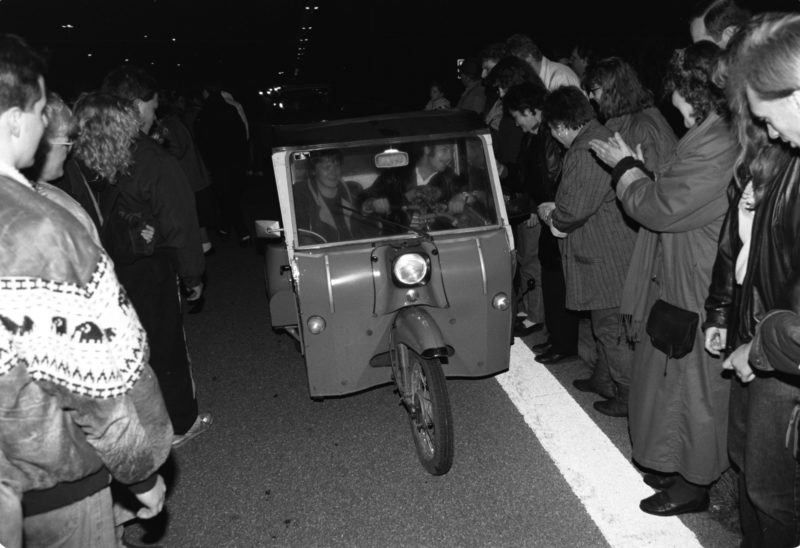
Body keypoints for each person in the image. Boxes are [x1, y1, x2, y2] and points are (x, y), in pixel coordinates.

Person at [0, 34, 172, 548]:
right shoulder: (35, 230)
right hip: (52, 484)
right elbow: (96, 386)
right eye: (38, 111)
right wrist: (140, 473)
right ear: (14, 120)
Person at [589, 41, 739, 516]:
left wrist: (626, 169)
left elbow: (658, 206)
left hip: (696, 284)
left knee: (694, 387)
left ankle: (695, 485)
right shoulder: (710, 135)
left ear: (691, 92)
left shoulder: (716, 146)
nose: (670, 98)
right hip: (681, 277)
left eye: (675, 88)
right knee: (670, 379)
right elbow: (672, 191)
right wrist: (638, 168)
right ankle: (675, 464)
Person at [704, 12, 800, 546]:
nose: (765, 129)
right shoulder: (764, 157)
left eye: (762, 113)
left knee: (771, 488)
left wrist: (759, 347)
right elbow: (737, 248)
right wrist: (723, 313)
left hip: (780, 349)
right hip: (761, 328)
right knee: (747, 464)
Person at [78, 75, 212, 450]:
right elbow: (178, 221)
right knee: (165, 344)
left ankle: (134, 422)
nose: (156, 115)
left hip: (106, 269)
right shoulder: (151, 159)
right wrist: (192, 273)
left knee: (126, 347)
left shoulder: (83, 159)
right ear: (133, 108)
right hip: (149, 267)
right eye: (153, 107)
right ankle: (180, 422)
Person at [576, 57, 678, 415]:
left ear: (613, 89)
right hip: (639, 226)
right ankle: (607, 378)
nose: (591, 97)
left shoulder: (640, 125)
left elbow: (662, 187)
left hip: (646, 233)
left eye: (596, 89)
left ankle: (635, 397)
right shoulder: (635, 119)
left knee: (628, 317)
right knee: (616, 316)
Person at [536, 86, 638, 408]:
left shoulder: (584, 151)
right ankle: (603, 378)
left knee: (610, 327)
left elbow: (574, 211)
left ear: (563, 125)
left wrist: (551, 214)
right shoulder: (600, 135)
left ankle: (626, 393)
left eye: (553, 129)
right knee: (603, 322)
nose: (554, 136)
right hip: (611, 245)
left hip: (604, 254)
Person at [504, 82, 579, 362]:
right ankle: (556, 338)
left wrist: (544, 207)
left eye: (518, 115)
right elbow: (527, 175)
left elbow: (557, 177)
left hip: (555, 213)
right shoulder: (533, 137)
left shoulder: (552, 136)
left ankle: (564, 343)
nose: (516, 122)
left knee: (557, 279)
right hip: (545, 212)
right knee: (550, 277)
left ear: (533, 111)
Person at [195, 80, 251, 245]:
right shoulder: (235, 106)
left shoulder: (204, 112)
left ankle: (232, 228)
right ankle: (234, 229)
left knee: (226, 195)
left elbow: (202, 142)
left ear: (206, 92)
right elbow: (245, 132)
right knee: (232, 195)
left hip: (217, 162)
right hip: (237, 158)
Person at [293, 149, 375, 243]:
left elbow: (369, 233)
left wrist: (369, 208)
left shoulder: (353, 193)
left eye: (337, 166)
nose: (334, 172)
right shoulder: (300, 199)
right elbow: (304, 242)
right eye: (327, 167)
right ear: (313, 171)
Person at [505, 33, 581, 91]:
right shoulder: (530, 81)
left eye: (516, 64)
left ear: (529, 57)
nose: (514, 70)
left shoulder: (561, 76)